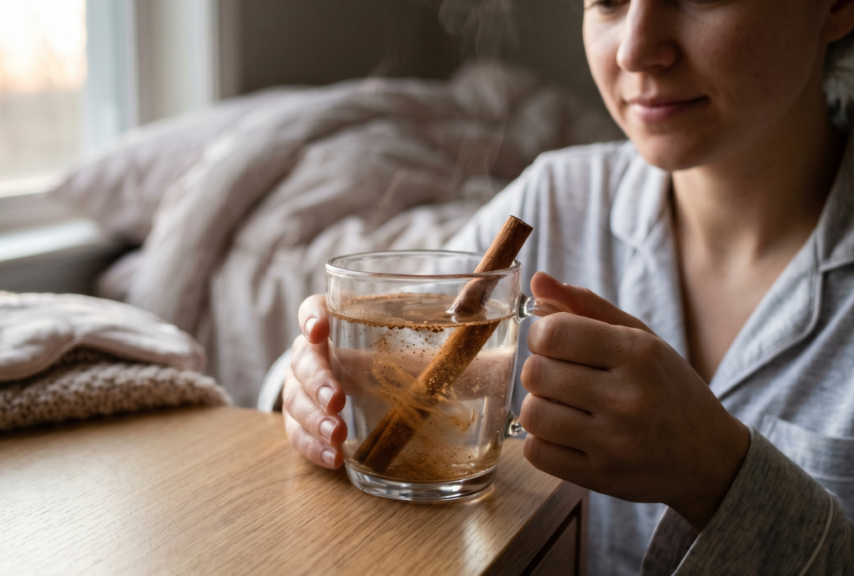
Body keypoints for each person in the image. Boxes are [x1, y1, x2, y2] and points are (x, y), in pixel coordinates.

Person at [280, 0, 854, 573]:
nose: (634, 48)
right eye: (606, 2)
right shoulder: (555, 202)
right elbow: (325, 363)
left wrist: (719, 475)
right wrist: (313, 388)